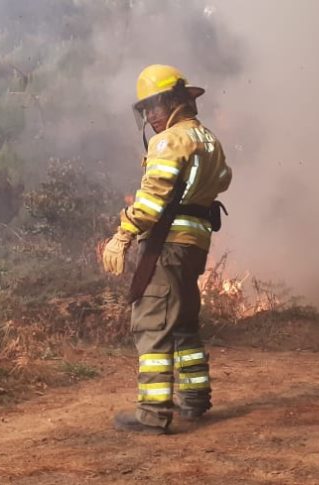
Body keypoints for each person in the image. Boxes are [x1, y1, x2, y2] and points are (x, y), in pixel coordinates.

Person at [102, 64, 232, 434]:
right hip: (194, 246)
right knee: (183, 322)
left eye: (152, 107)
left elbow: (152, 201)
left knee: (152, 322)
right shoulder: (208, 139)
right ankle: (194, 400)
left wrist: (122, 234)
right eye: (144, 111)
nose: (149, 117)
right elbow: (224, 178)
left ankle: (153, 415)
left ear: (173, 101)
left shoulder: (169, 141)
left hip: (167, 245)